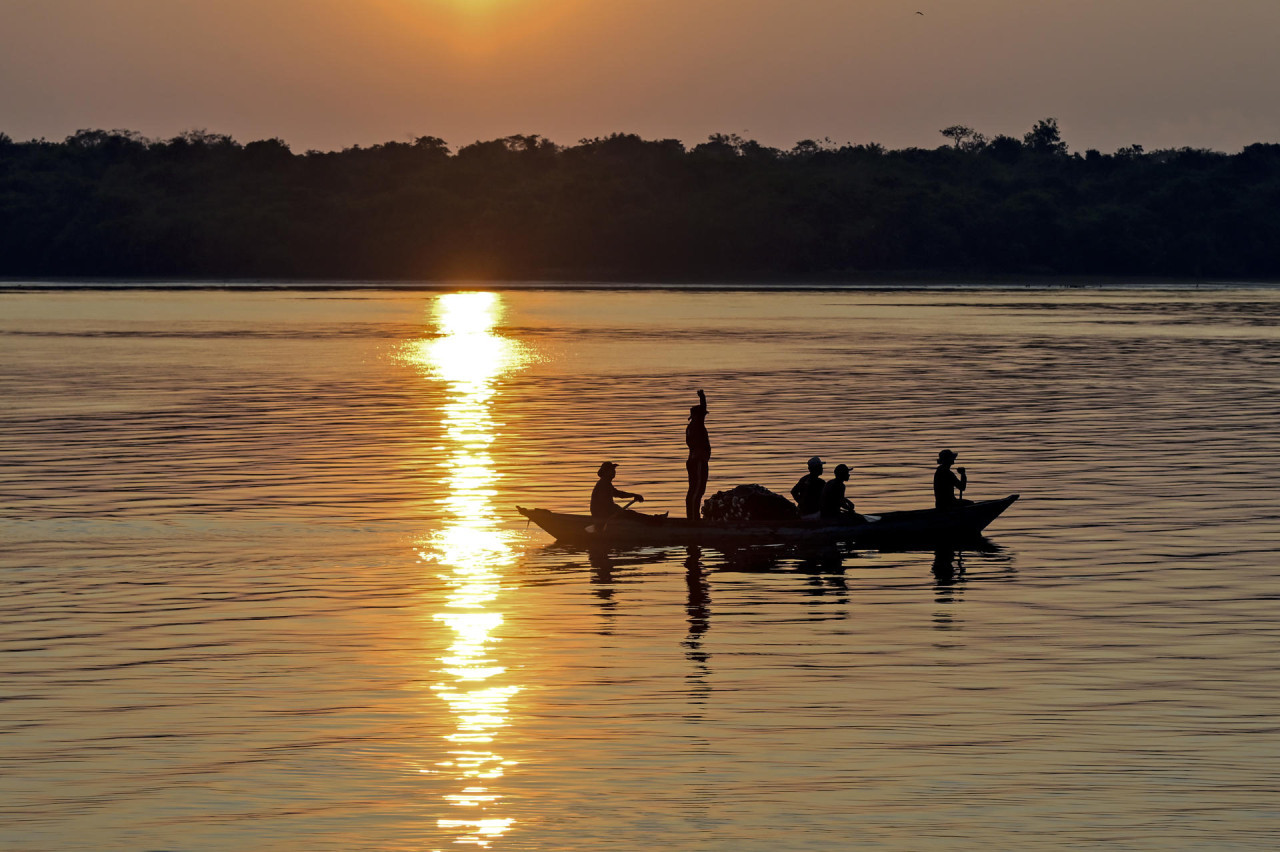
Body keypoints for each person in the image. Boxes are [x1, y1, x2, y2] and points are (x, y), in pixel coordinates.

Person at [591, 461, 661, 526]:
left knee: (630, 514)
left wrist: (634, 495)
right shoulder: (603, 484)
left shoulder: (606, 483)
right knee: (631, 514)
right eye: (611, 470)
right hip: (601, 515)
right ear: (606, 472)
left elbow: (618, 494)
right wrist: (616, 509)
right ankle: (655, 520)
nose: (614, 472)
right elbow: (604, 503)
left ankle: (655, 519)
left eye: (614, 470)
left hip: (606, 512)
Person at [685, 389, 710, 520]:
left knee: (694, 489)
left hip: (694, 461)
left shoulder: (691, 427)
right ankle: (694, 519)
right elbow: (703, 408)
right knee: (697, 490)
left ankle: (692, 517)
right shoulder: (697, 425)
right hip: (698, 461)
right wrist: (702, 397)